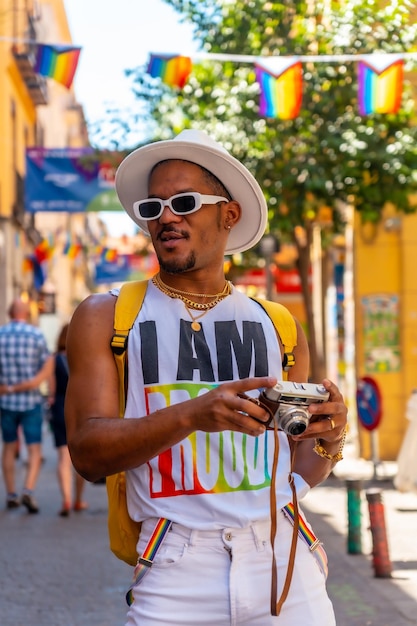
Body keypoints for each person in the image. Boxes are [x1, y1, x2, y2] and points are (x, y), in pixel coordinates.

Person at [65, 129, 348, 626]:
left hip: (284, 562)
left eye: (185, 202)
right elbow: (87, 454)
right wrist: (193, 413)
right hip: (175, 564)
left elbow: (295, 461)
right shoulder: (106, 317)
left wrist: (331, 433)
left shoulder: (278, 325)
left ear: (229, 213)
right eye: (154, 208)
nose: (166, 217)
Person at [0, 298, 52, 513]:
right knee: (34, 448)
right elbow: (46, 369)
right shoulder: (37, 335)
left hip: (6, 402)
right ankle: (28, 491)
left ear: (9, 313)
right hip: (31, 400)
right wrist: (31, 384)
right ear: (26, 314)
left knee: (9, 447)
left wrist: (9, 388)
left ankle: (11, 493)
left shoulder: (1, 335)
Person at [48, 323, 87, 516]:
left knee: (63, 457)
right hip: (80, 409)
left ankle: (66, 500)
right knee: (78, 457)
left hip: (59, 410)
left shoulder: (54, 360)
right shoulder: (83, 359)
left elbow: (52, 390)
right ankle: (78, 500)